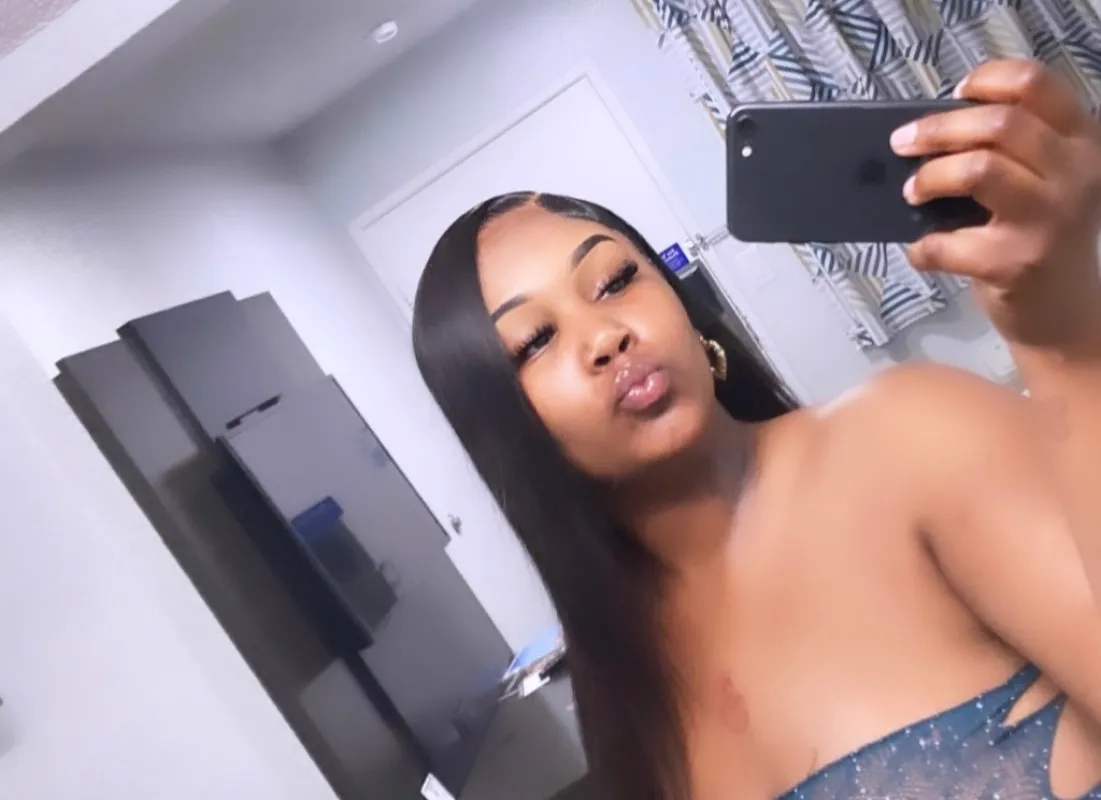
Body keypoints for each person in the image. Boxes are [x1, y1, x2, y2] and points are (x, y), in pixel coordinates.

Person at [411, 60, 1101, 799]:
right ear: (507, 433)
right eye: (535, 341)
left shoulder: (909, 435)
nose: (606, 335)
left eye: (615, 281)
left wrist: (1062, 337)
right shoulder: (621, 695)